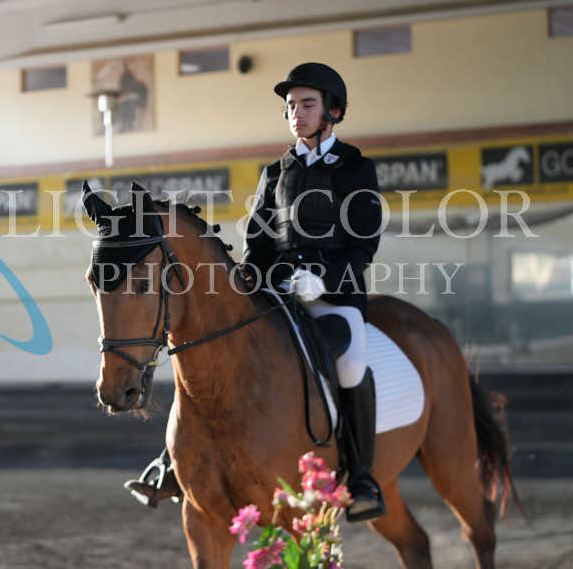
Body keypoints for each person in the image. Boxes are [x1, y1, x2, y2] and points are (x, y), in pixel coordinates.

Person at [124, 62, 386, 523]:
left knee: (350, 363)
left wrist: (324, 280)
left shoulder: (356, 168)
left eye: (307, 104)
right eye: (291, 106)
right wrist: (248, 277)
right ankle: (173, 462)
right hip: (276, 292)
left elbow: (364, 244)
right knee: (214, 352)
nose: (297, 113)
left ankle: (361, 476)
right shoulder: (275, 172)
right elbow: (259, 240)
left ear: (333, 111)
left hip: (334, 297)